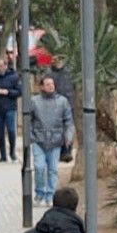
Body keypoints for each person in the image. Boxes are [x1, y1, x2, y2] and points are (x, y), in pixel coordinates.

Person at [22, 74, 73, 210]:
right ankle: (39, 193)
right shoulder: (34, 101)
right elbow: (28, 120)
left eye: (52, 84)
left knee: (53, 170)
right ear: (42, 86)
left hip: (56, 141)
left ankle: (50, 195)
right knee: (39, 167)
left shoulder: (62, 101)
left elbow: (68, 120)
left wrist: (68, 136)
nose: (51, 86)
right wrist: (30, 136)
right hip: (38, 140)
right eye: (48, 84)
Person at [0, 56, 24, 161]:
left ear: (6, 66)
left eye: (1, 66)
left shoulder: (14, 77)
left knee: (11, 131)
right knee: (0, 133)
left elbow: (19, 92)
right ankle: (3, 155)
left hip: (10, 108)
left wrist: (8, 92)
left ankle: (12, 151)